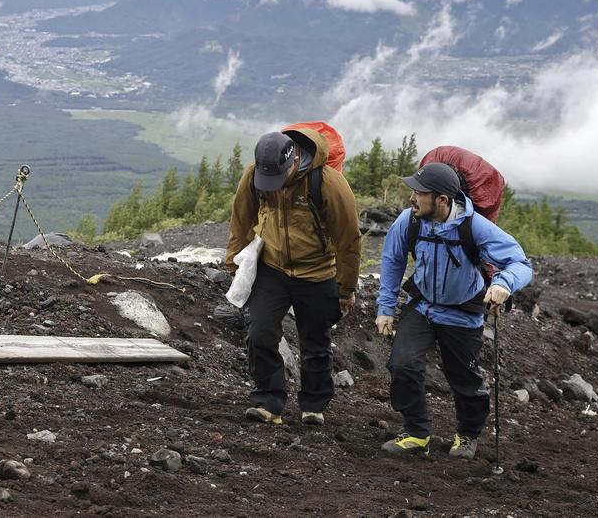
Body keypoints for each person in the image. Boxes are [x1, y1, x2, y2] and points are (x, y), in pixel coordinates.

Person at [376, 162, 532, 459]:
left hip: (463, 313)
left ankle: (467, 435)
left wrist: (504, 284)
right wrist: (385, 307)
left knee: (464, 379)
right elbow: (393, 260)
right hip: (421, 307)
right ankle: (417, 433)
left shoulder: (476, 227)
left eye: (419, 193)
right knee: (402, 365)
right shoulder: (409, 221)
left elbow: (520, 264)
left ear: (442, 200)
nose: (412, 198)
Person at [225, 128, 361, 425]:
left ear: (294, 160)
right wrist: (234, 265)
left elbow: (348, 239)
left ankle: (313, 405)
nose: (273, 185)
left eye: (279, 178)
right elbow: (241, 219)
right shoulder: (254, 176)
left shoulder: (327, 183)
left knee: (315, 342)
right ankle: (268, 402)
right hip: (271, 267)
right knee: (260, 333)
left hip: (317, 272)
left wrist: (345, 287)